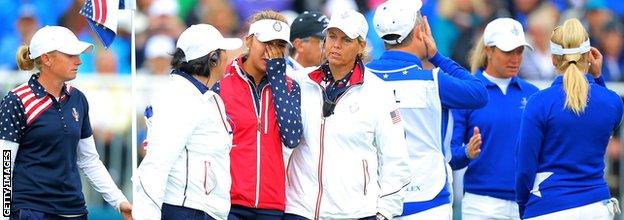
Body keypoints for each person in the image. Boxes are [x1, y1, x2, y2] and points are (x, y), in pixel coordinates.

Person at [366, 0, 489, 219]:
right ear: (419, 30)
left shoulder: (363, 79)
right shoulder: (432, 80)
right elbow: (479, 93)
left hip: (378, 200)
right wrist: (437, 57)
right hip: (430, 199)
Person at [284, 9, 411, 220]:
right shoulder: (300, 82)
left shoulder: (378, 92)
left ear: (361, 46)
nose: (336, 44)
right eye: (331, 37)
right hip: (300, 210)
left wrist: (385, 212)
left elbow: (396, 157)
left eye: (346, 39)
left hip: (355, 213)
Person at [0, 25, 131, 219]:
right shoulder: (16, 99)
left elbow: (89, 160)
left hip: (74, 210)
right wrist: (3, 216)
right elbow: (5, 164)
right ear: (46, 58)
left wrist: (119, 202)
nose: (79, 61)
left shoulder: (78, 99)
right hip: (31, 210)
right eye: (70, 55)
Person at [515, 18, 623, 220]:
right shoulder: (612, 101)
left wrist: (523, 204)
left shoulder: (538, 103)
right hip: (597, 207)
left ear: (553, 59)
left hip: (548, 206)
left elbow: (524, 166)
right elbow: (608, 113)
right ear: (589, 56)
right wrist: (598, 77)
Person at [133, 24, 242, 220]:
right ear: (213, 58)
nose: (228, 56)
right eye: (223, 51)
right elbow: (156, 164)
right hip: (186, 210)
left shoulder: (199, 94)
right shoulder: (181, 97)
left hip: (201, 209)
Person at [213, 10, 302, 219]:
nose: (271, 52)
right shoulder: (221, 82)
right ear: (249, 41)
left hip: (271, 204)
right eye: (266, 43)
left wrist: (278, 78)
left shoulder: (289, 86)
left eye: (279, 46)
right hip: (228, 200)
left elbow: (292, 137)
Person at [448, 18, 538, 220]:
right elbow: (449, 154)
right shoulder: (468, 94)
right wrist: (467, 153)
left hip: (526, 202)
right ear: (488, 50)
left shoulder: (533, 94)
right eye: (508, 51)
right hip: (481, 205)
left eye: (519, 51)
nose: (515, 58)